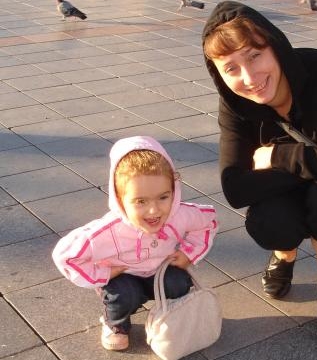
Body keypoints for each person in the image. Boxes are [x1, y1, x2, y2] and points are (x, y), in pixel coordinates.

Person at [201, 1, 317, 348]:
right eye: (231, 68)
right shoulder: (234, 105)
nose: (249, 78)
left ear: (275, 46)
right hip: (284, 193)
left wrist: (277, 157)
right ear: (218, 74)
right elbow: (235, 188)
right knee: (271, 220)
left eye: (255, 56)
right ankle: (285, 253)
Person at [52, 136, 218, 351]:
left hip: (159, 270)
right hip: (123, 277)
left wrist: (189, 253)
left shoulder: (180, 214)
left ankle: (173, 315)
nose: (154, 210)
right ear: (120, 199)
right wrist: (102, 274)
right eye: (140, 201)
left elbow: (208, 221)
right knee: (123, 296)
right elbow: (66, 256)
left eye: (163, 197)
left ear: (174, 190)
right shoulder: (107, 231)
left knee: (178, 282)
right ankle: (116, 324)